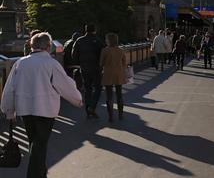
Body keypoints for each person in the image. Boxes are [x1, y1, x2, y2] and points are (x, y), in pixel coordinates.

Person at [1, 32, 83, 177]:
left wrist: (9, 110)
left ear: (32, 45)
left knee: (35, 142)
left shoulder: (20, 63)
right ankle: (34, 175)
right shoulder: (51, 64)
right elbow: (65, 85)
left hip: (25, 110)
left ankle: (40, 172)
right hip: (45, 110)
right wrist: (77, 99)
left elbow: (9, 89)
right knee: (39, 144)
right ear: (47, 46)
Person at [72, 24, 105, 119]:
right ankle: (92, 107)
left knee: (87, 88)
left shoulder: (79, 40)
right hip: (96, 68)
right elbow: (103, 54)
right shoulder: (98, 41)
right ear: (95, 30)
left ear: (85, 30)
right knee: (98, 88)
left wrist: (79, 63)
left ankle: (87, 109)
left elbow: (74, 55)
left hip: (84, 67)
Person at [100, 33, 127, 122]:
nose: (105, 41)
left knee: (109, 96)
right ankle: (121, 114)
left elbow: (101, 63)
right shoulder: (121, 50)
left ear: (109, 40)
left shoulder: (105, 50)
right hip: (119, 74)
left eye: (106, 39)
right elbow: (124, 63)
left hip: (108, 74)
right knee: (119, 95)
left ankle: (111, 116)